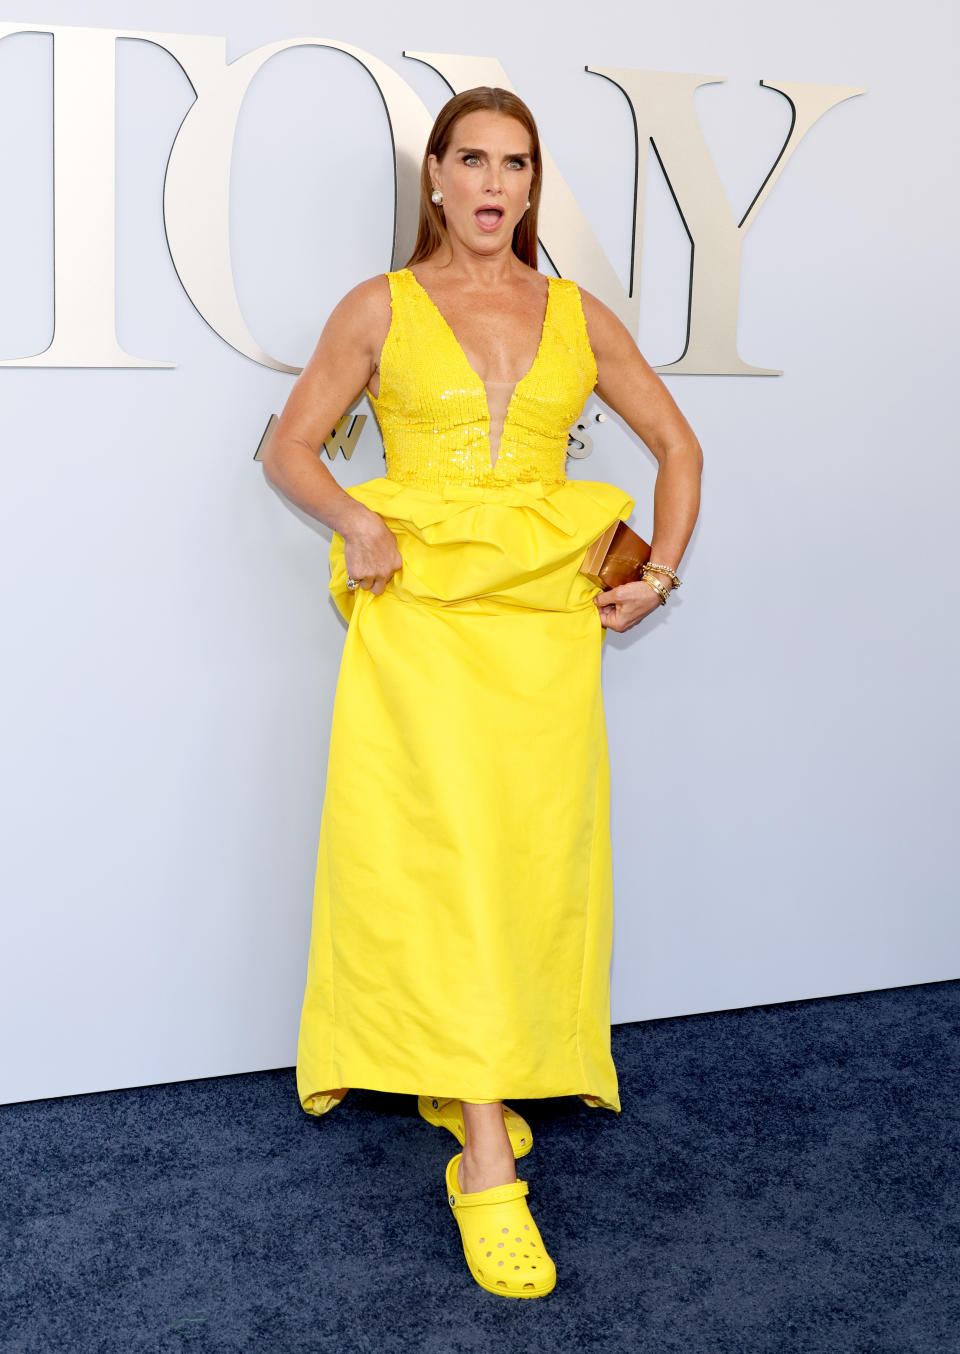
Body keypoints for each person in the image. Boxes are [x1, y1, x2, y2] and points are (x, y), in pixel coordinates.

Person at [263, 86, 702, 1300]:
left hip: (544, 638)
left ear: (530, 182)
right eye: (473, 160)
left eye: (516, 163)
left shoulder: (576, 312)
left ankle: (473, 1074)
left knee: (523, 863)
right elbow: (288, 447)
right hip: (420, 632)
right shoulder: (380, 307)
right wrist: (355, 518)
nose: (495, 184)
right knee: (441, 862)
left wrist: (659, 573)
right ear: (438, 181)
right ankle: (487, 1162)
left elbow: (679, 445)